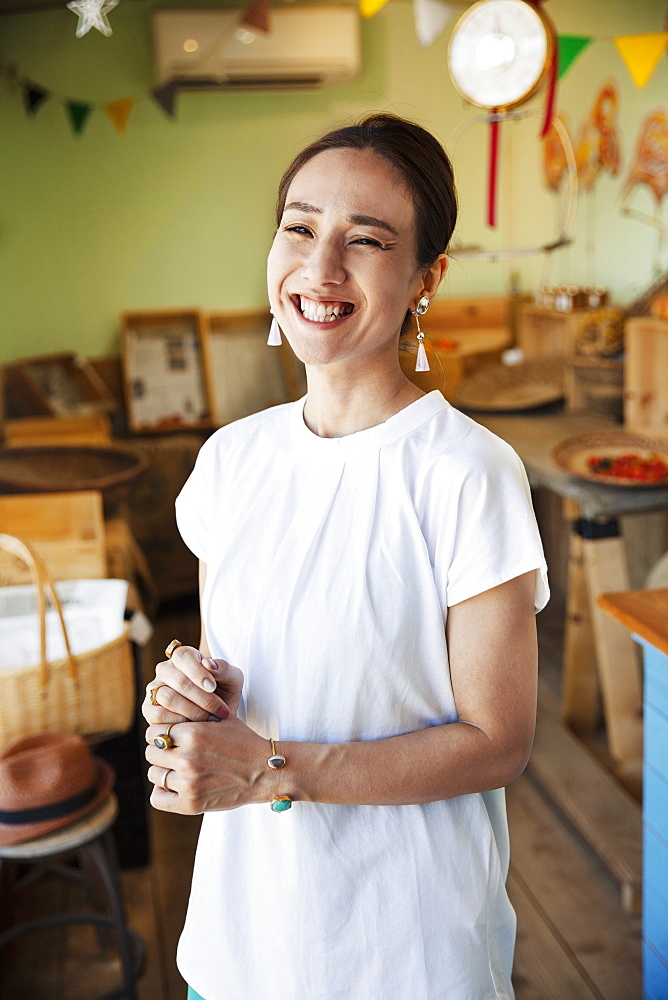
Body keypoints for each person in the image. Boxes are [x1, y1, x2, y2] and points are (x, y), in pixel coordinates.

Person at [142, 112, 549, 1000]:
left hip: (404, 952)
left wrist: (271, 767)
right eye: (300, 226)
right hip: (239, 942)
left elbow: (496, 743)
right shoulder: (230, 462)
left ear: (425, 279)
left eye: (366, 241)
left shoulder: (468, 473)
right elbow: (236, 671)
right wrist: (183, 687)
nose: (319, 270)